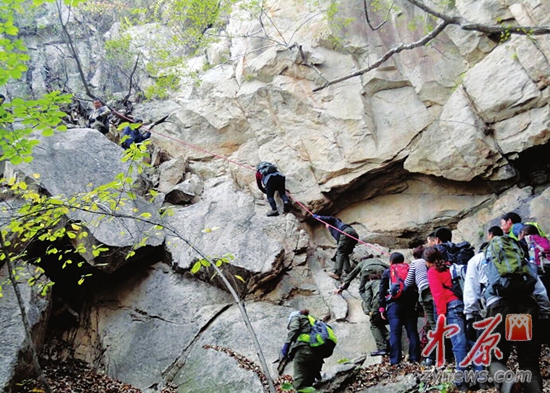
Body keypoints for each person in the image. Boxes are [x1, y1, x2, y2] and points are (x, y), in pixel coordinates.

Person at [463, 235, 550, 393]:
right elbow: (540, 292)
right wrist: (544, 315)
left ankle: (507, 381)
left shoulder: (478, 260)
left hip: (499, 309)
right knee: (529, 363)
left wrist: (470, 316)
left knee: (493, 358)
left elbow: (471, 291)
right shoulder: (523, 260)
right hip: (525, 309)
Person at [424, 246, 479, 392]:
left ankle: (462, 381)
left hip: (451, 308)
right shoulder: (449, 266)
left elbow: (438, 294)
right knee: (469, 340)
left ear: (427, 261)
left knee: (459, 343)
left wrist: (441, 314)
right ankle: (480, 377)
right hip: (463, 304)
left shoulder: (432, 271)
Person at [336, 255, 389, 356]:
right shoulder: (378, 260)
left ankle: (369, 306)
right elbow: (389, 268)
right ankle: (382, 303)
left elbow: (352, 274)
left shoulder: (363, 263)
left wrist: (343, 287)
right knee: (383, 287)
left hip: (367, 270)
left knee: (362, 290)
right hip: (382, 269)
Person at [378, 252, 420, 365]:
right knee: (412, 332)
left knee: (395, 333)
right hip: (410, 305)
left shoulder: (388, 272)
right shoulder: (409, 270)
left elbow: (381, 291)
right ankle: (415, 357)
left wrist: (382, 308)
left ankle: (395, 360)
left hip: (394, 306)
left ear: (391, 261)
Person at [405, 245, 436, 366]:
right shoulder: (434, 262)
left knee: (434, 325)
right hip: (438, 291)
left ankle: (432, 356)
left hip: (426, 293)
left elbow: (408, 282)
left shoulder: (416, 262)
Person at [281, 309, 325, 392]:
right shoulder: (311, 321)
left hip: (304, 352)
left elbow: (294, 329)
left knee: (299, 385)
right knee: (308, 383)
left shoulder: (296, 317)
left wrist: (287, 345)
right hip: (317, 354)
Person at [313, 214, 359, 280]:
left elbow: (330, 218)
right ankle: (348, 270)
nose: (326, 225)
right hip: (353, 235)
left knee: (340, 252)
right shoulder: (336, 229)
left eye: (326, 224)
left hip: (346, 233)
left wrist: (318, 217)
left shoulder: (334, 221)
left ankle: (337, 273)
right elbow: (341, 245)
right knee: (344, 253)